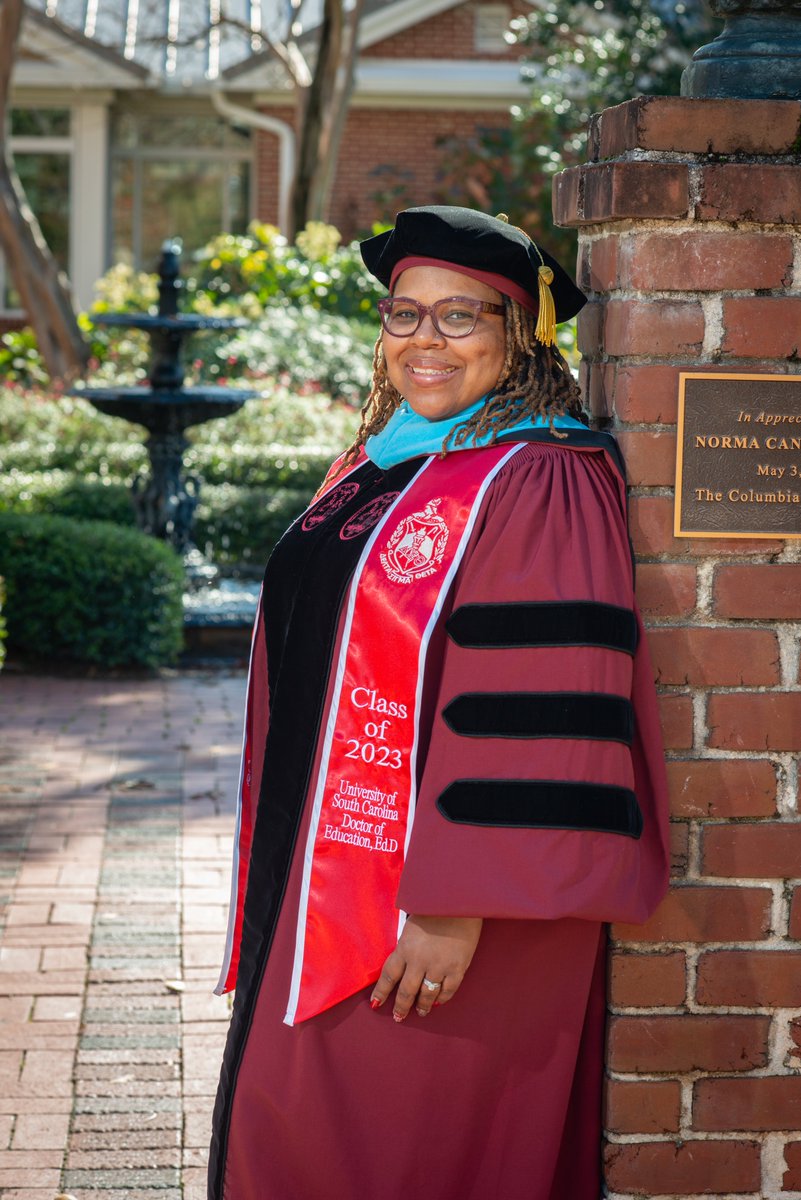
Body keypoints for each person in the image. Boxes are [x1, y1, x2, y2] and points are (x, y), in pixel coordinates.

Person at [208, 206, 669, 1200]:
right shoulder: (389, 461)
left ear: (521, 336)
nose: (425, 341)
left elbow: (541, 695)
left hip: (447, 908)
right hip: (333, 870)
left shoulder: (540, 475)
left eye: (461, 317)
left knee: (393, 1150)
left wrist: (455, 903)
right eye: (404, 314)